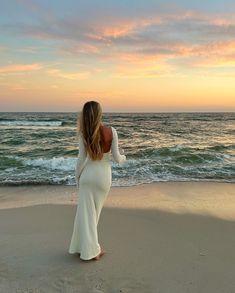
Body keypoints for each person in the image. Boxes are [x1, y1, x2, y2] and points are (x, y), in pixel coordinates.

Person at [68, 101, 126, 261]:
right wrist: (124, 157)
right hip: (103, 177)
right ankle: (90, 250)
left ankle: (86, 249)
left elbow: (80, 160)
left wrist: (77, 178)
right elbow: (117, 158)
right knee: (94, 215)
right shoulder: (111, 132)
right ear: (99, 113)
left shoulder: (83, 134)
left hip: (88, 176)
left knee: (86, 215)